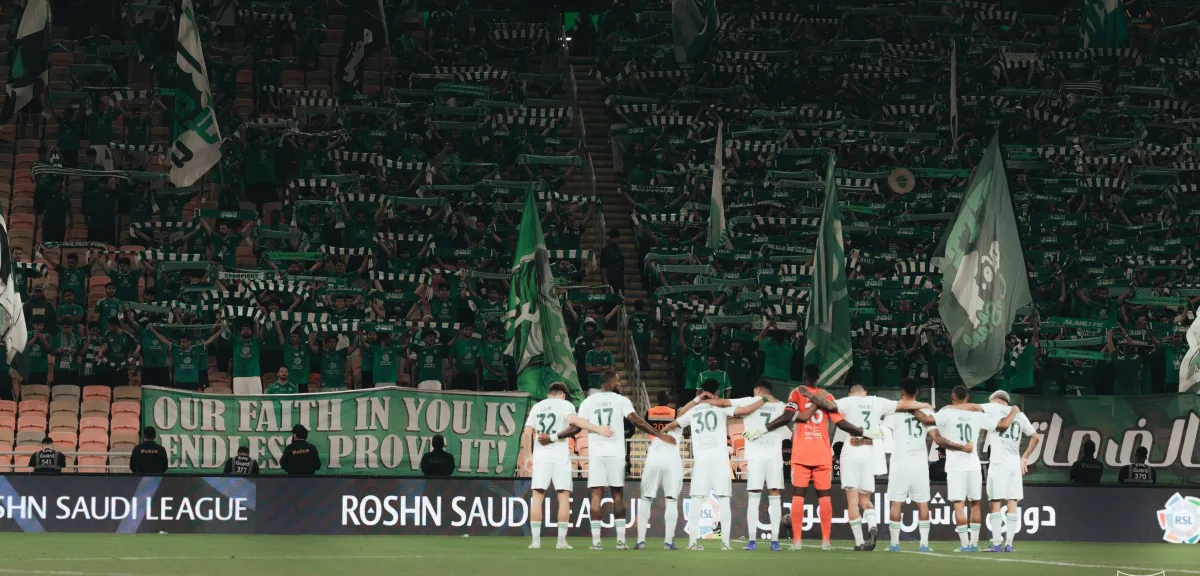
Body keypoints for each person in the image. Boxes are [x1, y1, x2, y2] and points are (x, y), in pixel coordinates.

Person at [754, 364, 873, 551]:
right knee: (824, 497)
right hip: (822, 453)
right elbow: (841, 422)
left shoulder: (796, 393)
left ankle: (797, 542)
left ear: (804, 375)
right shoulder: (827, 396)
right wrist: (864, 432)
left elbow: (790, 416)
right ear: (818, 377)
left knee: (798, 496)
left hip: (802, 453)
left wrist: (763, 429)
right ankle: (826, 542)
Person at [570, 371, 673, 550]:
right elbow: (637, 421)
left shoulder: (588, 401)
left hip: (596, 453)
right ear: (610, 383)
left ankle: (596, 542)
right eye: (617, 381)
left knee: (596, 496)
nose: (620, 384)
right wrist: (659, 434)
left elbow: (576, 427)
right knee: (618, 497)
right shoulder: (621, 400)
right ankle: (620, 541)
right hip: (616, 454)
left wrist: (555, 437)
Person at [661, 380, 764, 551]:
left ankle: (692, 543)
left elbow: (675, 421)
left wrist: (660, 434)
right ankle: (725, 544)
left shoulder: (694, 410)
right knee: (723, 499)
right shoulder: (721, 407)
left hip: (701, 459)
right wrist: (763, 400)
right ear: (716, 393)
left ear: (702, 392)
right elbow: (744, 411)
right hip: (719, 459)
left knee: (696, 499)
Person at [836, 383, 931, 550]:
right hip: (873, 454)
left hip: (852, 450)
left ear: (850, 393)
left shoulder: (846, 402)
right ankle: (875, 526)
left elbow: (884, 431)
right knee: (866, 499)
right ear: (865, 392)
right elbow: (904, 406)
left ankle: (861, 542)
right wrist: (925, 404)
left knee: (853, 500)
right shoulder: (877, 402)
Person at [521, 383, 613, 549]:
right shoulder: (565, 405)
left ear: (550, 393)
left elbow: (527, 432)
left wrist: (528, 455)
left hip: (541, 456)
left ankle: (535, 542)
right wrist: (597, 428)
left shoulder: (537, 407)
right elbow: (574, 421)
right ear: (563, 394)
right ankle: (561, 541)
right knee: (563, 497)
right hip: (560, 456)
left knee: (537, 497)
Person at [883, 379, 971, 552]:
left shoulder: (893, 411)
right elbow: (937, 438)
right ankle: (924, 544)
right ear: (917, 392)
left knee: (896, 502)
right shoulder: (926, 410)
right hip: (919, 464)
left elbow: (886, 433)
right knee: (923, 503)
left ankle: (894, 544)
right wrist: (961, 447)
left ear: (901, 392)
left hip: (900, 462)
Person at [934, 386, 1018, 552]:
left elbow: (930, 423)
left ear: (952, 396)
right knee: (975, 504)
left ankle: (965, 544)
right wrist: (1013, 411)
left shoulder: (946, 412)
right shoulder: (978, 415)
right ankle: (974, 544)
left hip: (955, 465)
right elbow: (1002, 426)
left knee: (959, 504)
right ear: (968, 397)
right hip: (973, 464)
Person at [981, 391, 1040, 552]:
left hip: (998, 463)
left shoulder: (994, 411)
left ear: (997, 401)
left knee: (995, 501)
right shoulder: (1020, 416)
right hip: (1014, 464)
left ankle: (996, 543)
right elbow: (1035, 437)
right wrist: (1025, 457)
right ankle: (1009, 544)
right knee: (1012, 502)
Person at [741, 381, 789, 551]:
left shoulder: (749, 402)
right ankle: (775, 542)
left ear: (758, 390)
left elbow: (728, 405)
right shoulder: (782, 406)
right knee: (775, 495)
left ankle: (752, 541)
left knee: (754, 497)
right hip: (774, 456)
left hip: (756, 456)